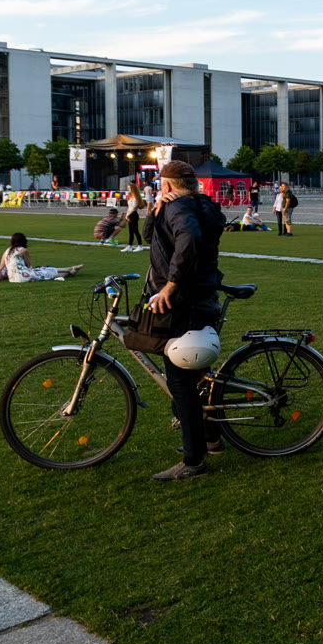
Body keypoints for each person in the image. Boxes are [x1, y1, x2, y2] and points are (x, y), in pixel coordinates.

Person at [141, 159, 228, 482]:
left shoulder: (178, 208)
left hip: (185, 302)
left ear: (165, 185)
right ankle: (211, 437)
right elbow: (149, 236)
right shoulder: (201, 204)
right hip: (202, 297)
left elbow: (188, 238)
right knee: (196, 378)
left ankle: (194, 461)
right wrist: (154, 209)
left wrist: (171, 285)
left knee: (180, 382)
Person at [0, 231, 84, 282]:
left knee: (44, 270)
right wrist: (32, 270)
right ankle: (70, 270)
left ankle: (71, 270)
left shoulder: (7, 251)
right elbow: (29, 266)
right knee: (46, 272)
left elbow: (1, 266)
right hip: (23, 276)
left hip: (13, 278)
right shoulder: (23, 250)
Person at [124, 179, 145, 248]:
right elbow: (129, 207)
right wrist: (127, 215)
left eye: (129, 188)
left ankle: (140, 245)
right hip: (130, 214)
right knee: (130, 231)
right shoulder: (130, 197)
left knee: (135, 230)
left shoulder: (135, 198)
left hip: (133, 215)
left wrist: (127, 215)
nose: (128, 190)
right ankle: (130, 245)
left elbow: (133, 208)